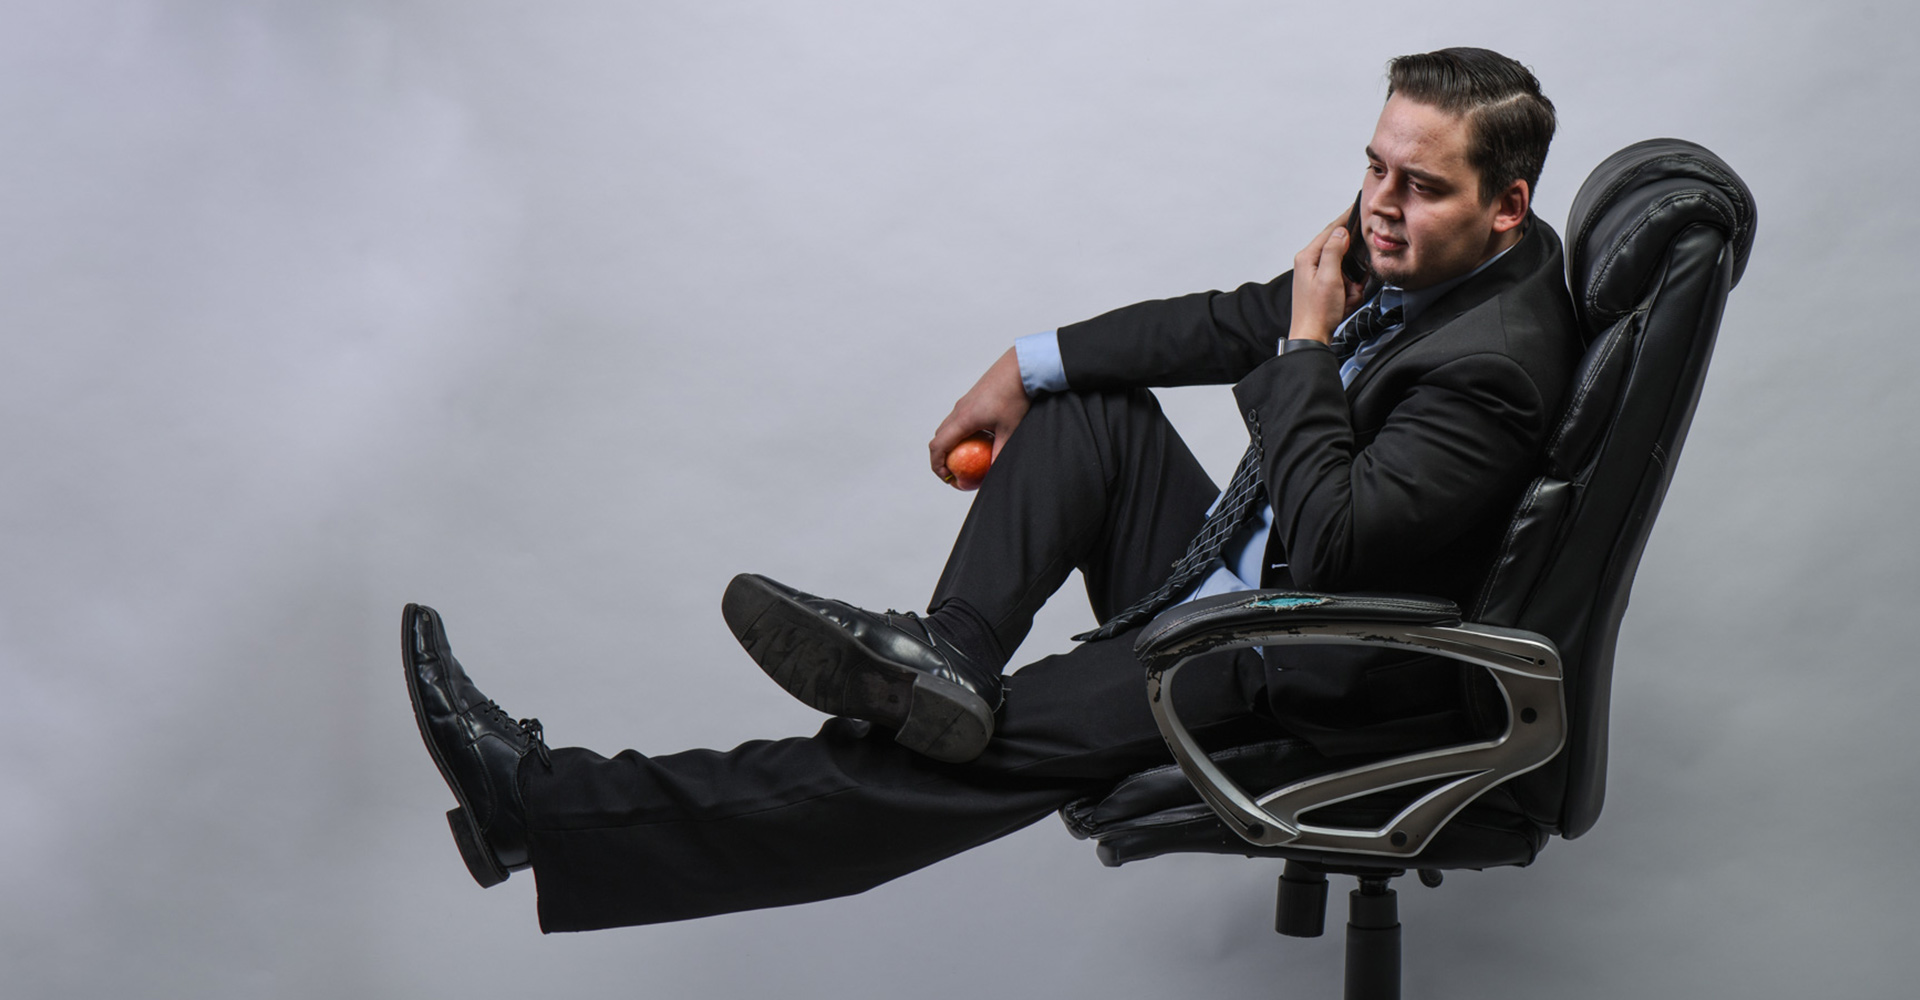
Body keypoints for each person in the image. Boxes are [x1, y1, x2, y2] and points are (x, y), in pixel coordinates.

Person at [402, 46, 1582, 933]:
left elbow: (1332, 546)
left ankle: (540, 809)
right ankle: (949, 658)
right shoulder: (1429, 260)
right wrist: (1025, 363)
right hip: (1244, 584)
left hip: (1294, 664)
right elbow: (1227, 319)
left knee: (924, 769)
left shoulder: (1493, 365)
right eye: (1372, 166)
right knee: (1092, 412)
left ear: (1506, 203)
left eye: (1418, 185)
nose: (1379, 203)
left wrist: (1311, 347)